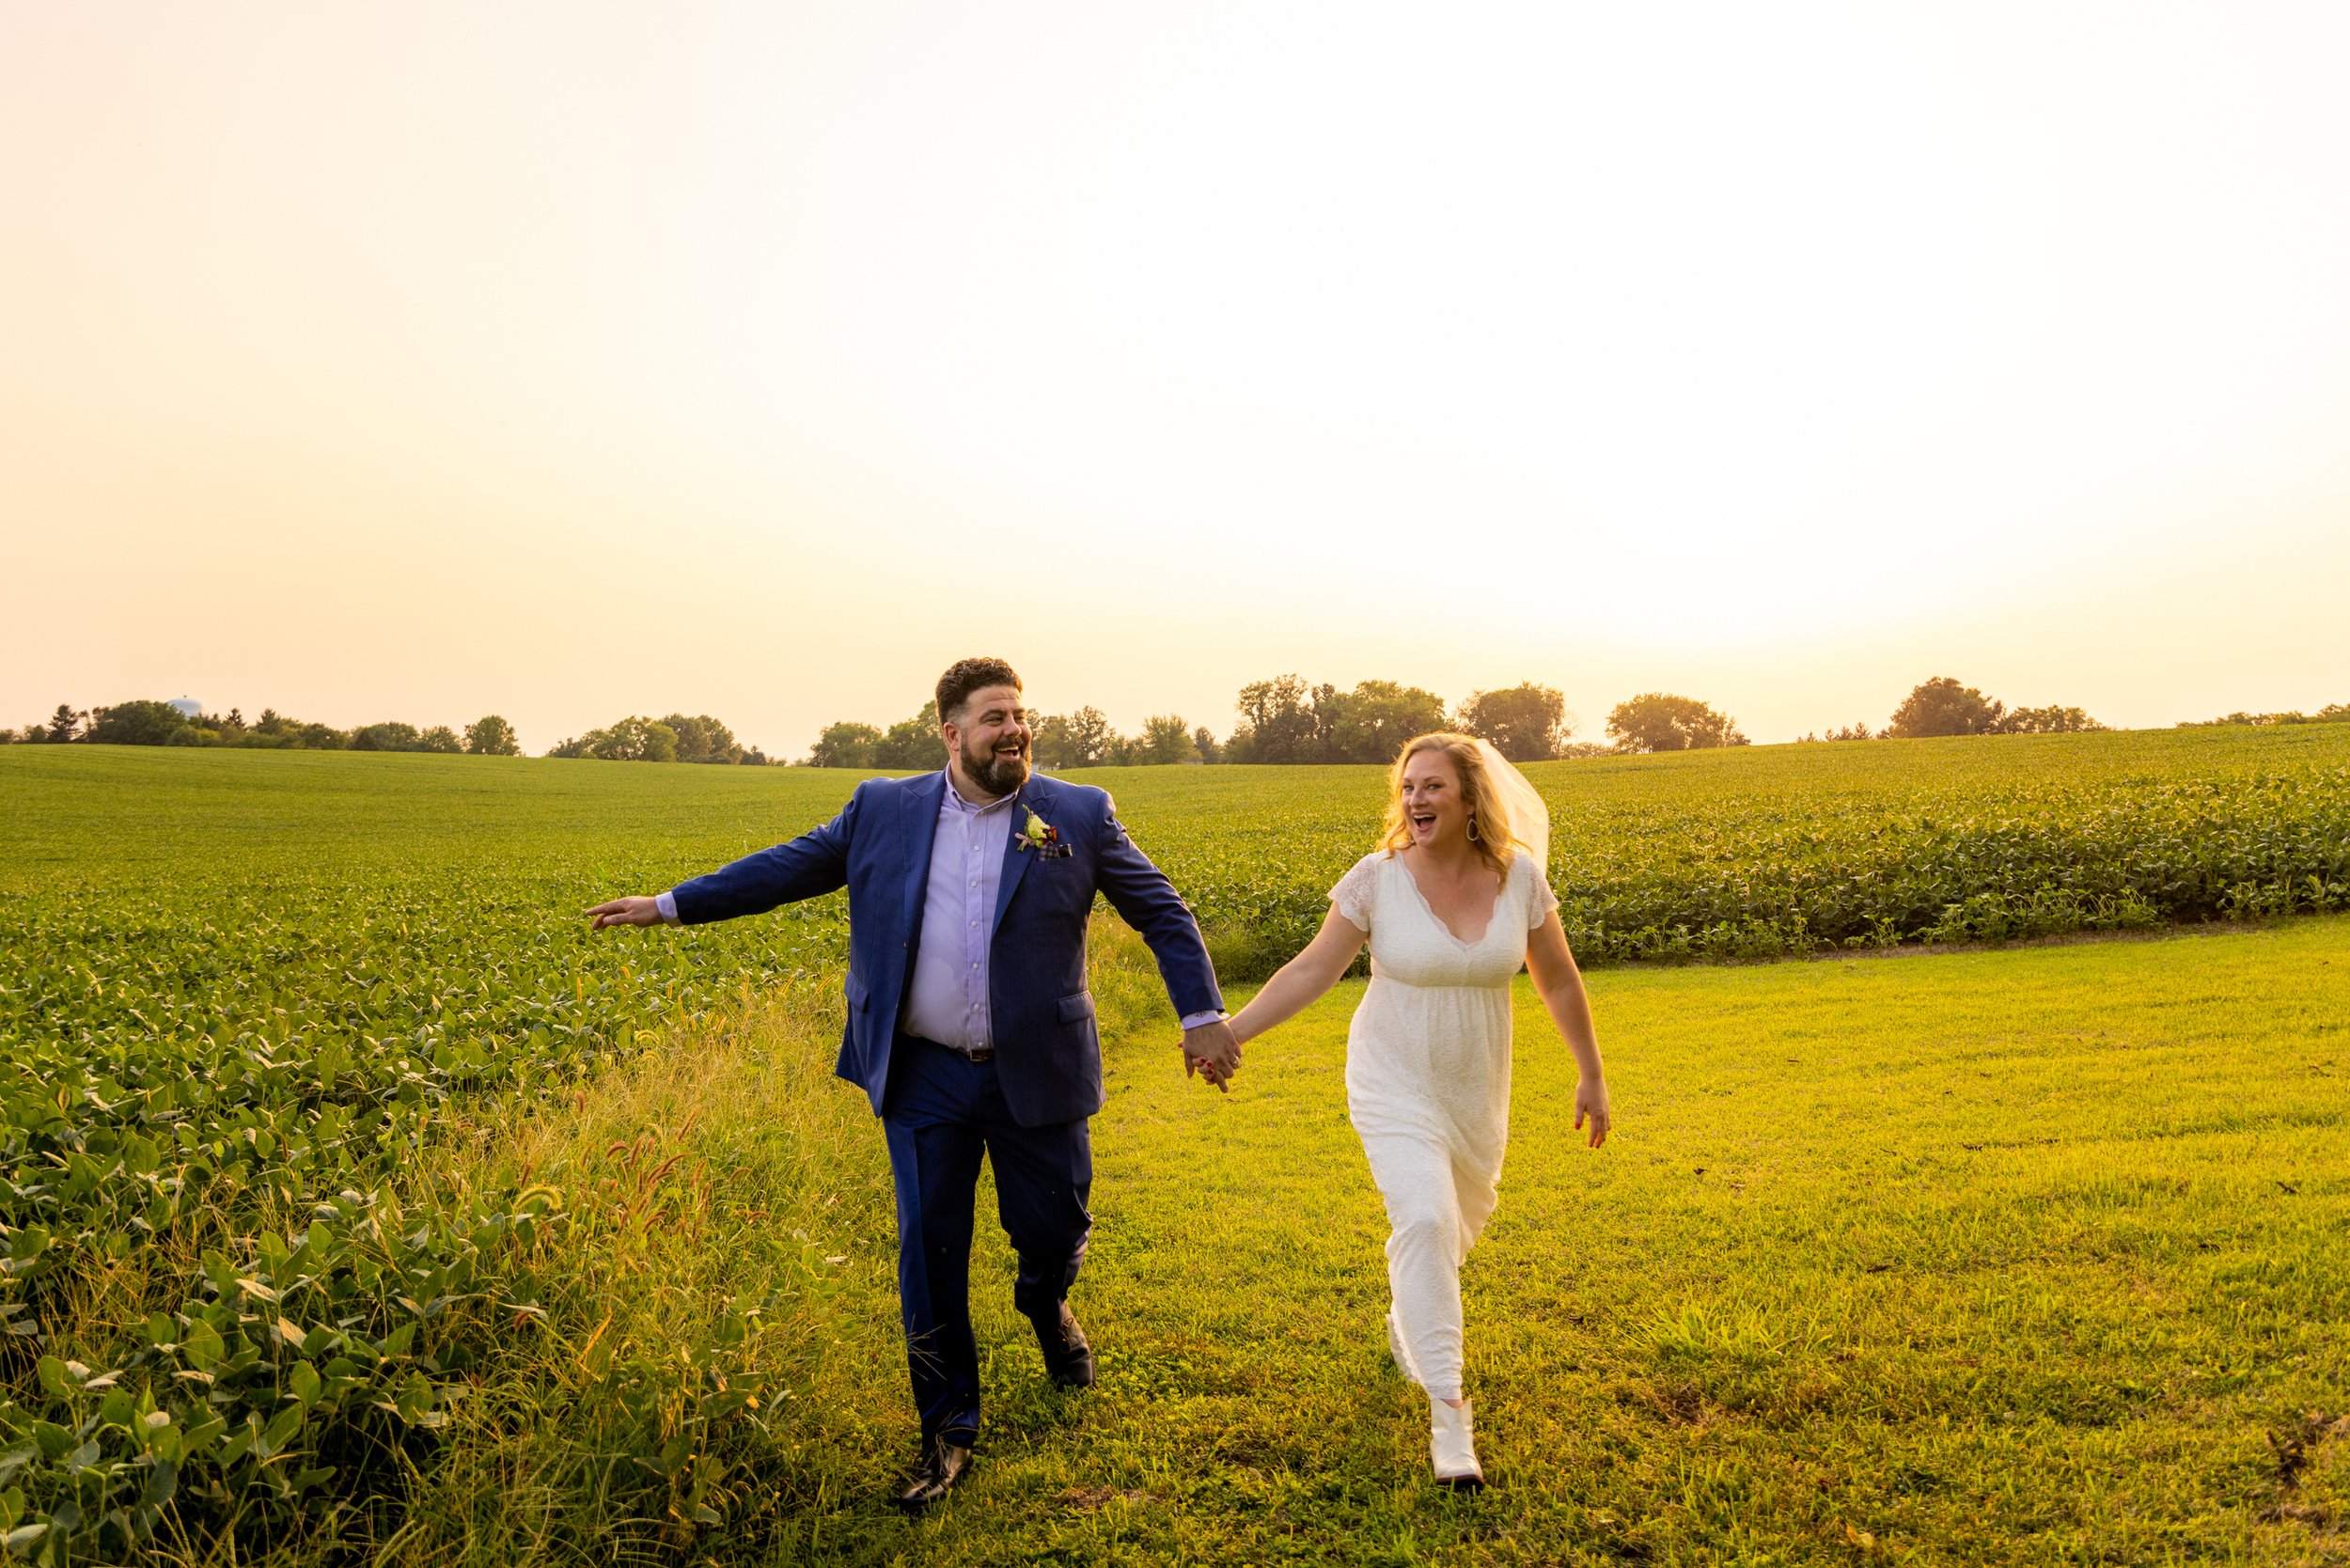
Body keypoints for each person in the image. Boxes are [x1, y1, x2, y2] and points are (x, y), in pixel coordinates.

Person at [585, 657, 1241, 1509]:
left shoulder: (1074, 812)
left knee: (1053, 1230)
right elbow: (784, 870)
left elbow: (1161, 910)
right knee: (929, 1253)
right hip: (923, 1072)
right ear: (952, 732)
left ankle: (1046, 1306)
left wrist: (1200, 1015)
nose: (1014, 729)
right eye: (995, 717)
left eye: (1019, 713)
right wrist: (672, 904)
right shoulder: (883, 810)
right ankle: (947, 1430)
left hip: (1035, 1069)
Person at [1222, 731, 1609, 1488]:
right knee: (1427, 1220)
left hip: (1474, 1087)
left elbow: (1558, 980)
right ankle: (1449, 1417)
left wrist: (1591, 1073)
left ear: (1470, 797)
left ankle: (1411, 1322)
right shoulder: (1376, 880)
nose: (1415, 800)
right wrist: (1231, 1033)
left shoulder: (1519, 878)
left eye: (1432, 786)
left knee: (1444, 1231)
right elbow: (1312, 968)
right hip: (1392, 1075)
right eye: (1407, 788)